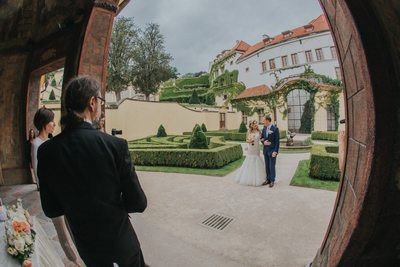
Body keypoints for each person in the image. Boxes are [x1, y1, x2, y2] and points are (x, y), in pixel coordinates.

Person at [37, 76, 147, 267]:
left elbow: (51, 208)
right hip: (120, 246)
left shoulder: (47, 151)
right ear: (92, 102)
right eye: (100, 101)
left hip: (87, 248)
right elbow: (139, 202)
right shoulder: (115, 145)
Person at [235, 120, 265, 186]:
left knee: (257, 159)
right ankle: (248, 177)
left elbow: (262, 139)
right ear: (251, 125)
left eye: (255, 124)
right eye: (253, 124)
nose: (255, 125)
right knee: (250, 160)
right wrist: (250, 141)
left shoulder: (259, 131)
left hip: (256, 148)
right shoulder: (249, 131)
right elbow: (246, 140)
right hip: (251, 148)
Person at [31, 108, 55, 188]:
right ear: (43, 123)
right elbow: (36, 167)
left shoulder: (51, 141)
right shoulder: (36, 143)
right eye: (51, 121)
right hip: (46, 186)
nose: (54, 124)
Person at [260, 115, 280, 188]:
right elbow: (262, 138)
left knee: (272, 166)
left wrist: (275, 151)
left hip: (272, 151)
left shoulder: (275, 129)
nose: (263, 122)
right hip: (265, 150)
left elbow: (277, 141)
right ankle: (268, 179)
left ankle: (272, 180)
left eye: (264, 120)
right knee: (267, 166)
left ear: (268, 121)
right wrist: (263, 142)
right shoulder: (264, 128)